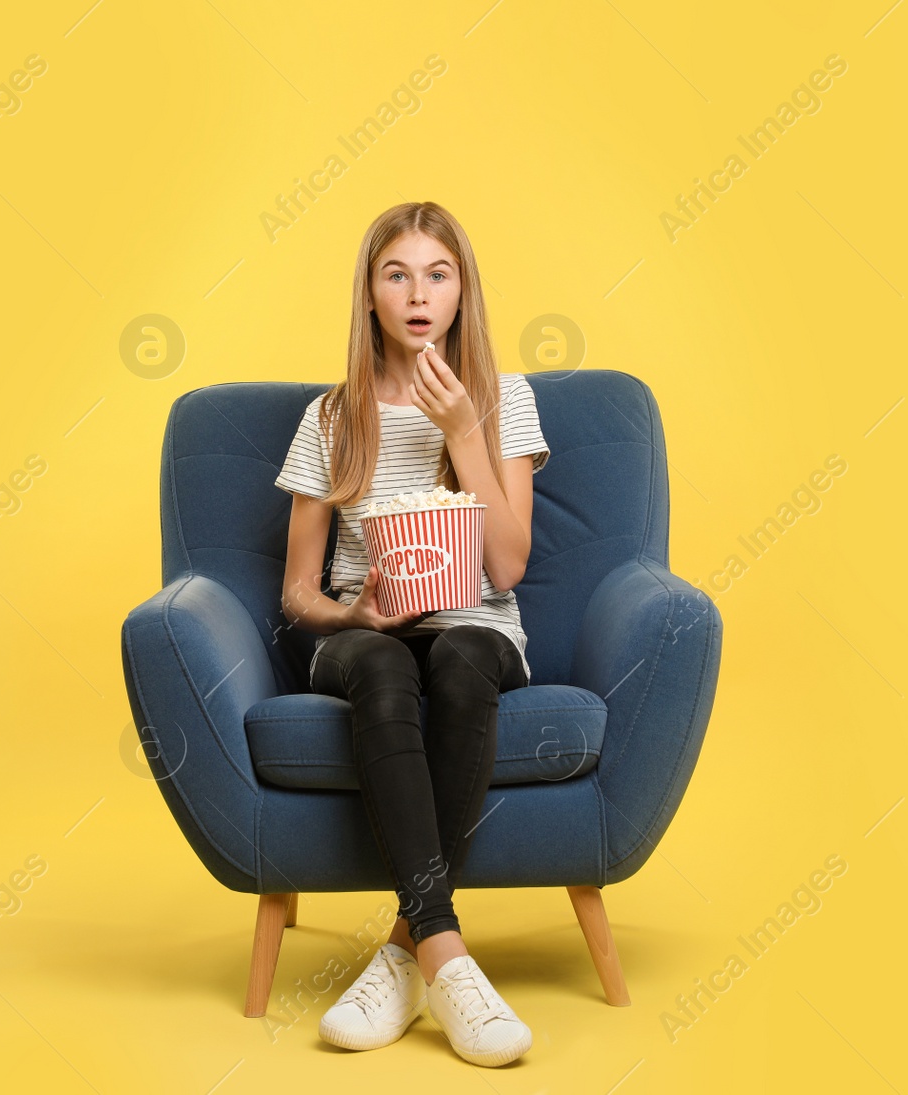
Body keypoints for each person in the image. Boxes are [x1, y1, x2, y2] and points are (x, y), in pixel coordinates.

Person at [273, 201, 549, 1066]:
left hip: (475, 621)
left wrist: (463, 429)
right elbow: (296, 592)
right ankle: (446, 955)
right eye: (397, 273)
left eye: (438, 274)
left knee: (463, 660)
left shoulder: (505, 401)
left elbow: (505, 570)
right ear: (369, 295)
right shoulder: (331, 418)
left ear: (463, 293)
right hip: (365, 629)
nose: (418, 293)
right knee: (386, 667)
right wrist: (353, 612)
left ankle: (410, 950)